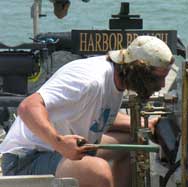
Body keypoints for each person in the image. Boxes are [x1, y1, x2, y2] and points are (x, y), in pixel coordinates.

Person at [0, 35, 174, 187]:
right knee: (99, 172)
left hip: (61, 150)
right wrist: (59, 143)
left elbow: (97, 116)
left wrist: (145, 125)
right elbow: (28, 106)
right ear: (140, 70)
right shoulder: (89, 80)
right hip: (25, 158)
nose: (162, 85)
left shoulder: (116, 80)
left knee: (133, 141)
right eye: (159, 78)